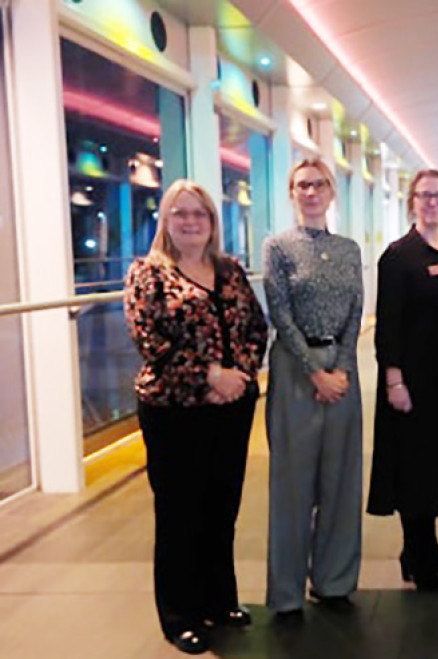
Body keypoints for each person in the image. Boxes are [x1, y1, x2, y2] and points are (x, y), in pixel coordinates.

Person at [124, 179, 267, 655]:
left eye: (199, 214)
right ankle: (180, 614)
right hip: (174, 411)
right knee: (180, 511)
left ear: (212, 222)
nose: (190, 222)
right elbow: (153, 342)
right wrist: (211, 375)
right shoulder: (147, 275)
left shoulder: (229, 271)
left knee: (222, 505)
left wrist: (240, 376)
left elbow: (255, 328)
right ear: (166, 221)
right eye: (180, 213)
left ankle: (219, 600)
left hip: (231, 409)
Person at [263, 159, 364, 624]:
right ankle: (287, 593)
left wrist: (341, 368)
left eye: (319, 184)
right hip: (295, 369)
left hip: (342, 370)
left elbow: (356, 309)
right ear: (291, 192)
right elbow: (280, 314)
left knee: (341, 480)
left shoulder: (348, 249)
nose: (311, 191)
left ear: (331, 192)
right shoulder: (278, 247)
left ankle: (335, 581)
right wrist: (315, 372)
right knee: (292, 483)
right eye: (302, 184)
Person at [367, 169, 438, 591]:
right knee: (413, 466)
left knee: (436, 465)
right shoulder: (398, 256)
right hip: (411, 380)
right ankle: (414, 553)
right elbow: (388, 325)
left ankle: (429, 547)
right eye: (424, 195)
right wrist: (394, 380)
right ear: (412, 202)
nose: (432, 202)